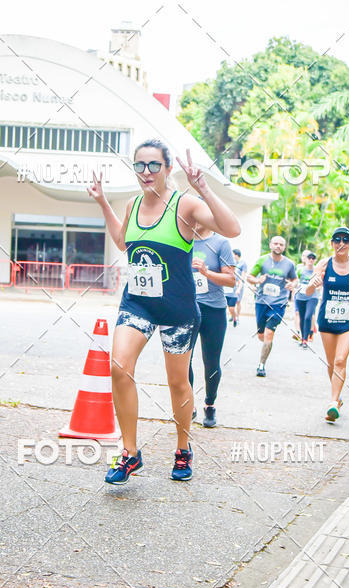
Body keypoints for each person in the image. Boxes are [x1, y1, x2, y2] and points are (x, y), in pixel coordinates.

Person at [87, 141, 240, 484]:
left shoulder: (184, 204)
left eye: (154, 165)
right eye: (139, 165)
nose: (146, 172)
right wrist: (101, 202)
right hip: (138, 303)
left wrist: (203, 187)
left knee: (178, 384)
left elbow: (232, 229)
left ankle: (183, 448)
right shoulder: (132, 203)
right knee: (118, 367)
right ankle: (129, 453)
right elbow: (124, 242)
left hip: (177, 309)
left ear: (168, 169)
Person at [306, 226, 349, 422]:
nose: (341, 244)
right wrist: (313, 284)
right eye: (337, 240)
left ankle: (332, 402)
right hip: (328, 319)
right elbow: (307, 291)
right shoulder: (324, 264)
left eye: (345, 240)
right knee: (331, 363)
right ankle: (337, 399)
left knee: (340, 360)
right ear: (331, 243)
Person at [189, 230, 235, 427]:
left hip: (213, 309)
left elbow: (231, 280)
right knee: (182, 361)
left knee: (211, 362)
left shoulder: (220, 243)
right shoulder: (184, 239)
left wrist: (206, 272)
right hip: (187, 308)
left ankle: (210, 404)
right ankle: (188, 404)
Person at [247, 235, 298, 377]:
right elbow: (249, 277)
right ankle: (266, 346)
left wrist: (292, 284)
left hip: (278, 303)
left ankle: (261, 365)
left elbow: (295, 279)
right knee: (261, 335)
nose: (278, 246)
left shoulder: (289, 264)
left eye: (281, 244)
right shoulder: (262, 260)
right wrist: (257, 280)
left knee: (269, 334)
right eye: (275, 243)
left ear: (284, 247)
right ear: (270, 245)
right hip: (261, 302)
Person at [294, 250, 319, 348]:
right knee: (302, 317)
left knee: (308, 316)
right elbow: (295, 280)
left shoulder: (317, 270)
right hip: (301, 296)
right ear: (306, 259)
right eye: (309, 258)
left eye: (313, 258)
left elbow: (321, 282)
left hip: (313, 296)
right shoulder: (300, 270)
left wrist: (317, 287)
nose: (311, 260)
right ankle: (303, 338)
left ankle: (306, 339)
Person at [225, 249, 247, 327]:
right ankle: (233, 315)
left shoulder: (243, 263)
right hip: (231, 286)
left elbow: (243, 276)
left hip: (238, 285)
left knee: (238, 302)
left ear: (236, 255)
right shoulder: (232, 263)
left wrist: (239, 288)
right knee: (231, 304)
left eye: (232, 254)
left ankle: (237, 316)